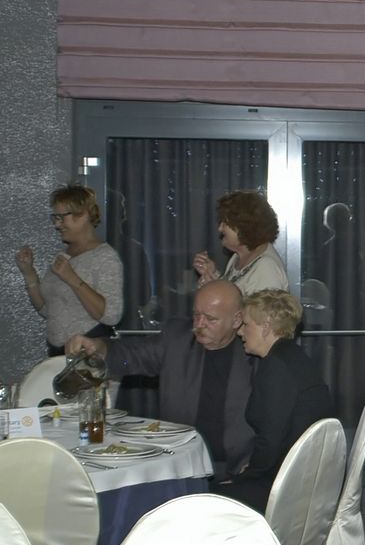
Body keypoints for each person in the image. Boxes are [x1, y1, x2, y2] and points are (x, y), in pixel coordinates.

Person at [66, 279, 254, 480]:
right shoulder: (177, 339)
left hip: (237, 469)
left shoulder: (254, 351)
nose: (199, 325)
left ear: (236, 320)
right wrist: (99, 348)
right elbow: (131, 358)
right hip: (180, 463)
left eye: (210, 319)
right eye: (196, 315)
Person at [217, 289, 335, 513]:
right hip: (303, 474)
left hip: (289, 486)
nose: (240, 332)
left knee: (204, 495)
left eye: (246, 324)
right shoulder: (290, 356)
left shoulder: (276, 366)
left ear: (266, 327)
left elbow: (271, 439)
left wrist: (247, 475)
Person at [16, 184, 124, 355]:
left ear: (84, 215)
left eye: (61, 217)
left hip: (88, 355)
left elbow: (111, 316)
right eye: (55, 218)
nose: (57, 225)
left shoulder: (105, 256)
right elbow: (47, 310)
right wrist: (28, 272)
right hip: (57, 354)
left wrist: (72, 278)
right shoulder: (64, 255)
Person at [193, 190, 287, 296]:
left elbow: (261, 307)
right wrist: (213, 275)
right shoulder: (237, 257)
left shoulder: (267, 268)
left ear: (244, 227)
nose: (220, 228)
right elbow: (233, 291)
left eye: (225, 223)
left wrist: (215, 290)